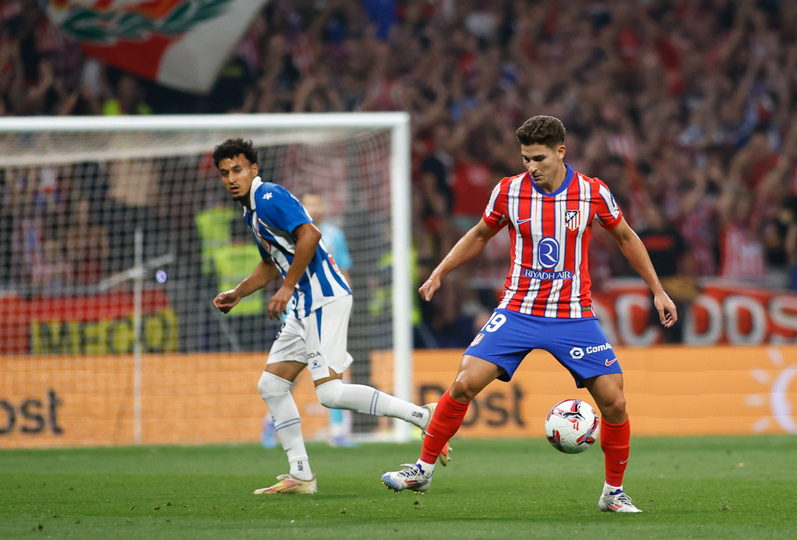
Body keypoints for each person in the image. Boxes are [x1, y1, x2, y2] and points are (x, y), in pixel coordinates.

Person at [380, 116, 678, 513]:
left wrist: (657, 290)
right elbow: (480, 234)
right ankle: (422, 469)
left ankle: (613, 493)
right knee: (465, 382)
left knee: (615, 402)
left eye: (538, 158)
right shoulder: (508, 191)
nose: (531, 167)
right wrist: (440, 271)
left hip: (573, 315)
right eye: (525, 159)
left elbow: (625, 236)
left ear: (560, 151)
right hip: (518, 311)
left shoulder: (592, 192)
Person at [210, 138, 448, 495]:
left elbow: (310, 235)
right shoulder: (251, 212)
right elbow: (268, 263)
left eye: (238, 170)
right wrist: (238, 293)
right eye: (225, 173)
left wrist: (287, 287)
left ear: (254, 169)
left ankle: (422, 417)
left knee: (330, 393)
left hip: (323, 297)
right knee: (272, 385)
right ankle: (301, 474)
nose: (232, 178)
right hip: (305, 303)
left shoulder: (270, 197)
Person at [301, 192, 354, 447]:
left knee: (334, 368)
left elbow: (344, 271)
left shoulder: (335, 235)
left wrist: (347, 302)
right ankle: (271, 423)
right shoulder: (294, 233)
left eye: (317, 202)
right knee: (291, 371)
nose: (314, 207)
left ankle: (337, 431)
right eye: (308, 203)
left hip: (331, 309)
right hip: (300, 310)